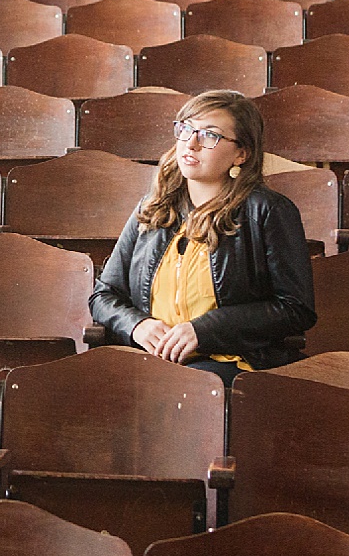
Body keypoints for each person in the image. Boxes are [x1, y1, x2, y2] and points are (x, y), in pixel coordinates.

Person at [89, 89, 315, 384]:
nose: (191, 143)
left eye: (210, 135)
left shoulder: (268, 210)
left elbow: (295, 308)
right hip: (151, 360)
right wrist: (137, 325)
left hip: (231, 363)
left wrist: (204, 330)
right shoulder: (153, 208)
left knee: (175, 389)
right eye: (185, 129)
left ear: (241, 153)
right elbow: (104, 296)